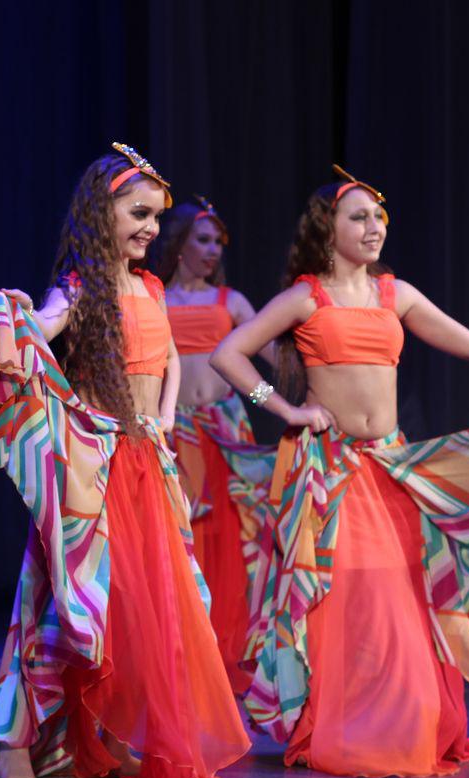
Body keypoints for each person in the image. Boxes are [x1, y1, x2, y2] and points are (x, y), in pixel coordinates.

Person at [210, 164, 469, 778]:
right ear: (327, 229)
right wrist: (287, 409)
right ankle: (347, 726)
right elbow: (227, 352)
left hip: (389, 466)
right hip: (332, 471)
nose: (374, 228)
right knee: (346, 601)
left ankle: (404, 723)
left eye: (379, 218)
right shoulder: (307, 296)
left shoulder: (396, 294)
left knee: (401, 598)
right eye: (359, 218)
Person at [0, 143, 250, 778]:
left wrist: (163, 418)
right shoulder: (79, 289)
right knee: (59, 605)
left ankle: (111, 735)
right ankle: (11, 744)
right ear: (101, 213)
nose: (151, 228)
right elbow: (42, 326)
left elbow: (170, 360)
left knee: (139, 612)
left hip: (146, 465)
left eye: (156, 217)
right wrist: (17, 316)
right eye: (139, 214)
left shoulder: (149, 287)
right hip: (95, 469)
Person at [155, 196, 275, 695]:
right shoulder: (155, 298)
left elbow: (271, 363)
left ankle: (228, 651)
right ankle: (183, 653)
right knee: (184, 541)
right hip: (175, 437)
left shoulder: (232, 302)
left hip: (225, 437)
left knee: (232, 544)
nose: (212, 250)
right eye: (202, 240)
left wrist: (280, 398)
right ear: (179, 243)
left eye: (218, 243)